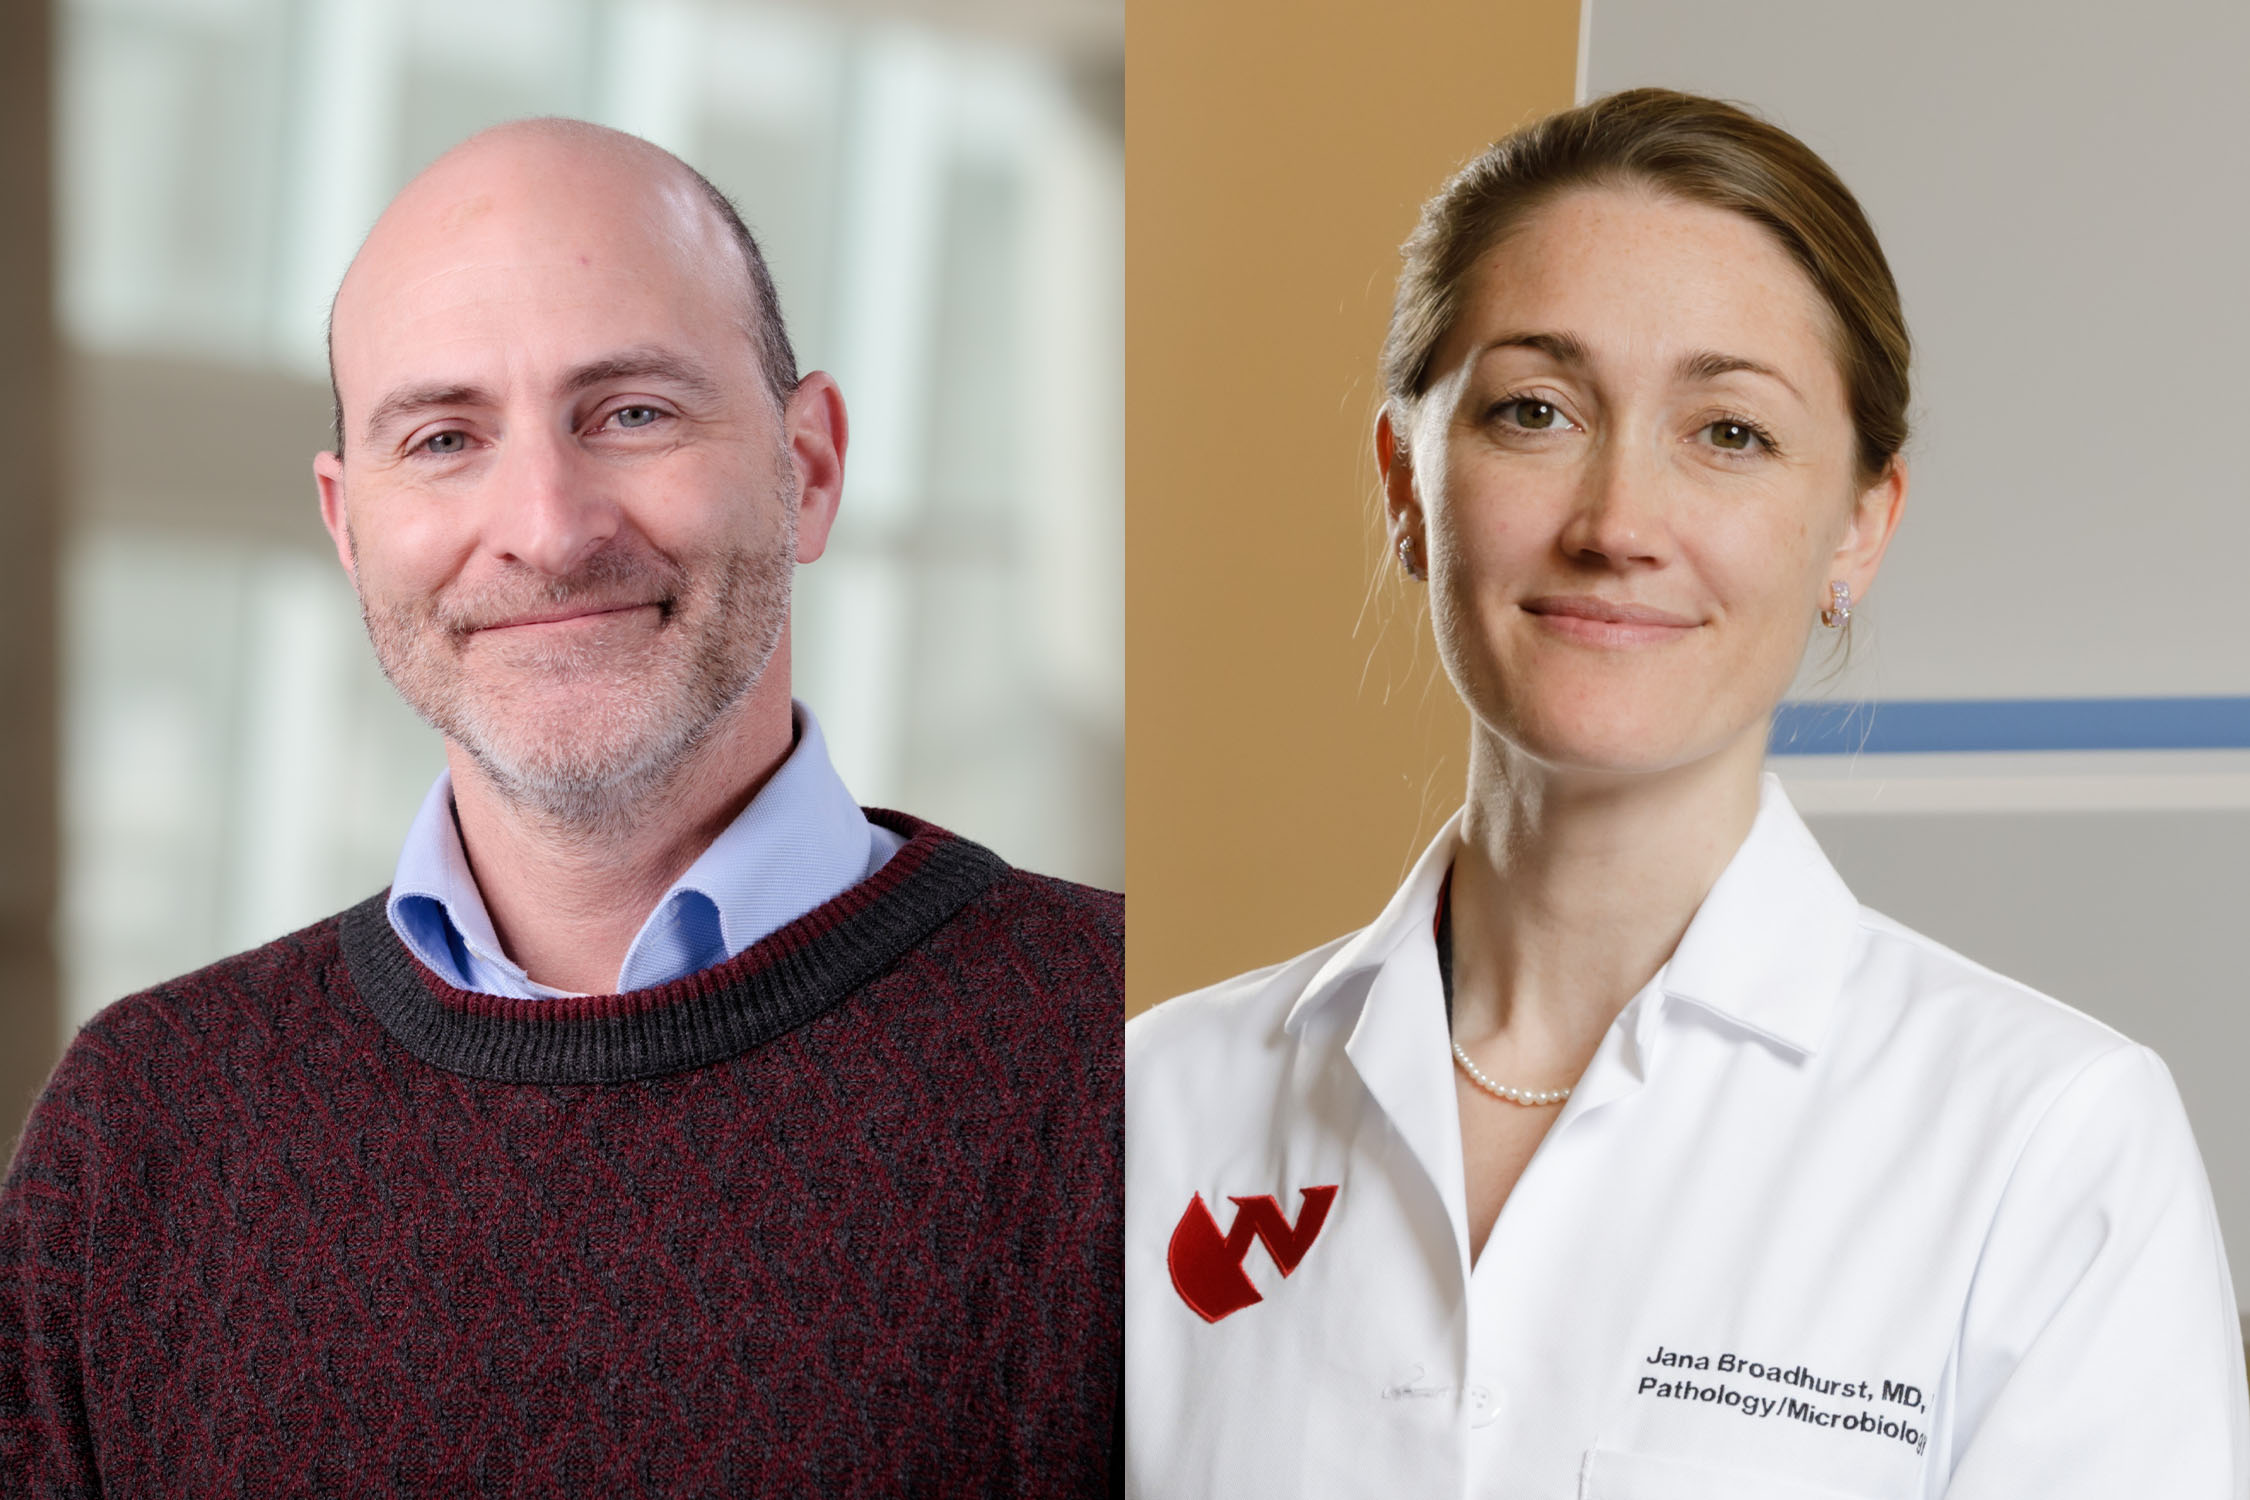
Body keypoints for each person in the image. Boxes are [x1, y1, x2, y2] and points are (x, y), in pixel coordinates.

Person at [1125, 89, 2246, 1496]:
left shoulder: (2044, 1145)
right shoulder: (1142, 1114)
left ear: (1858, 526)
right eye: (1533, 411)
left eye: (1726, 434)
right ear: (1405, 487)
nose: (1614, 526)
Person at [0, 119, 1121, 1496]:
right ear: (350, 530)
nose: (546, 522)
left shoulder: (1152, 1055)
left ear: (810, 468)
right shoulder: (142, 1129)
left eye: (631, 412)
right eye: (444, 437)